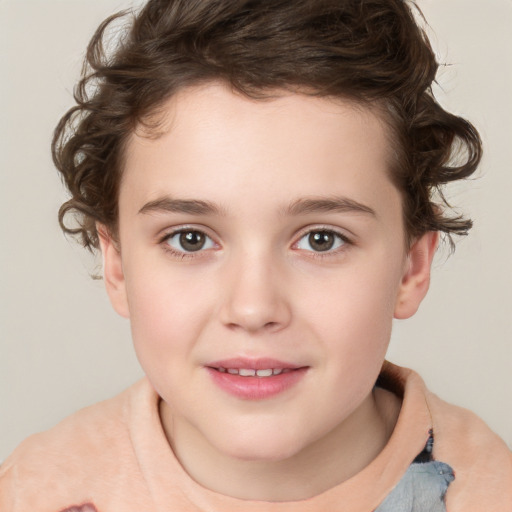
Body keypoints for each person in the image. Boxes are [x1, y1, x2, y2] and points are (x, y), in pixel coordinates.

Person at [1, 0, 510, 510]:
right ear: (116, 264)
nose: (252, 308)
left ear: (411, 267)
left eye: (321, 239)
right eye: (191, 239)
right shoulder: (32, 492)